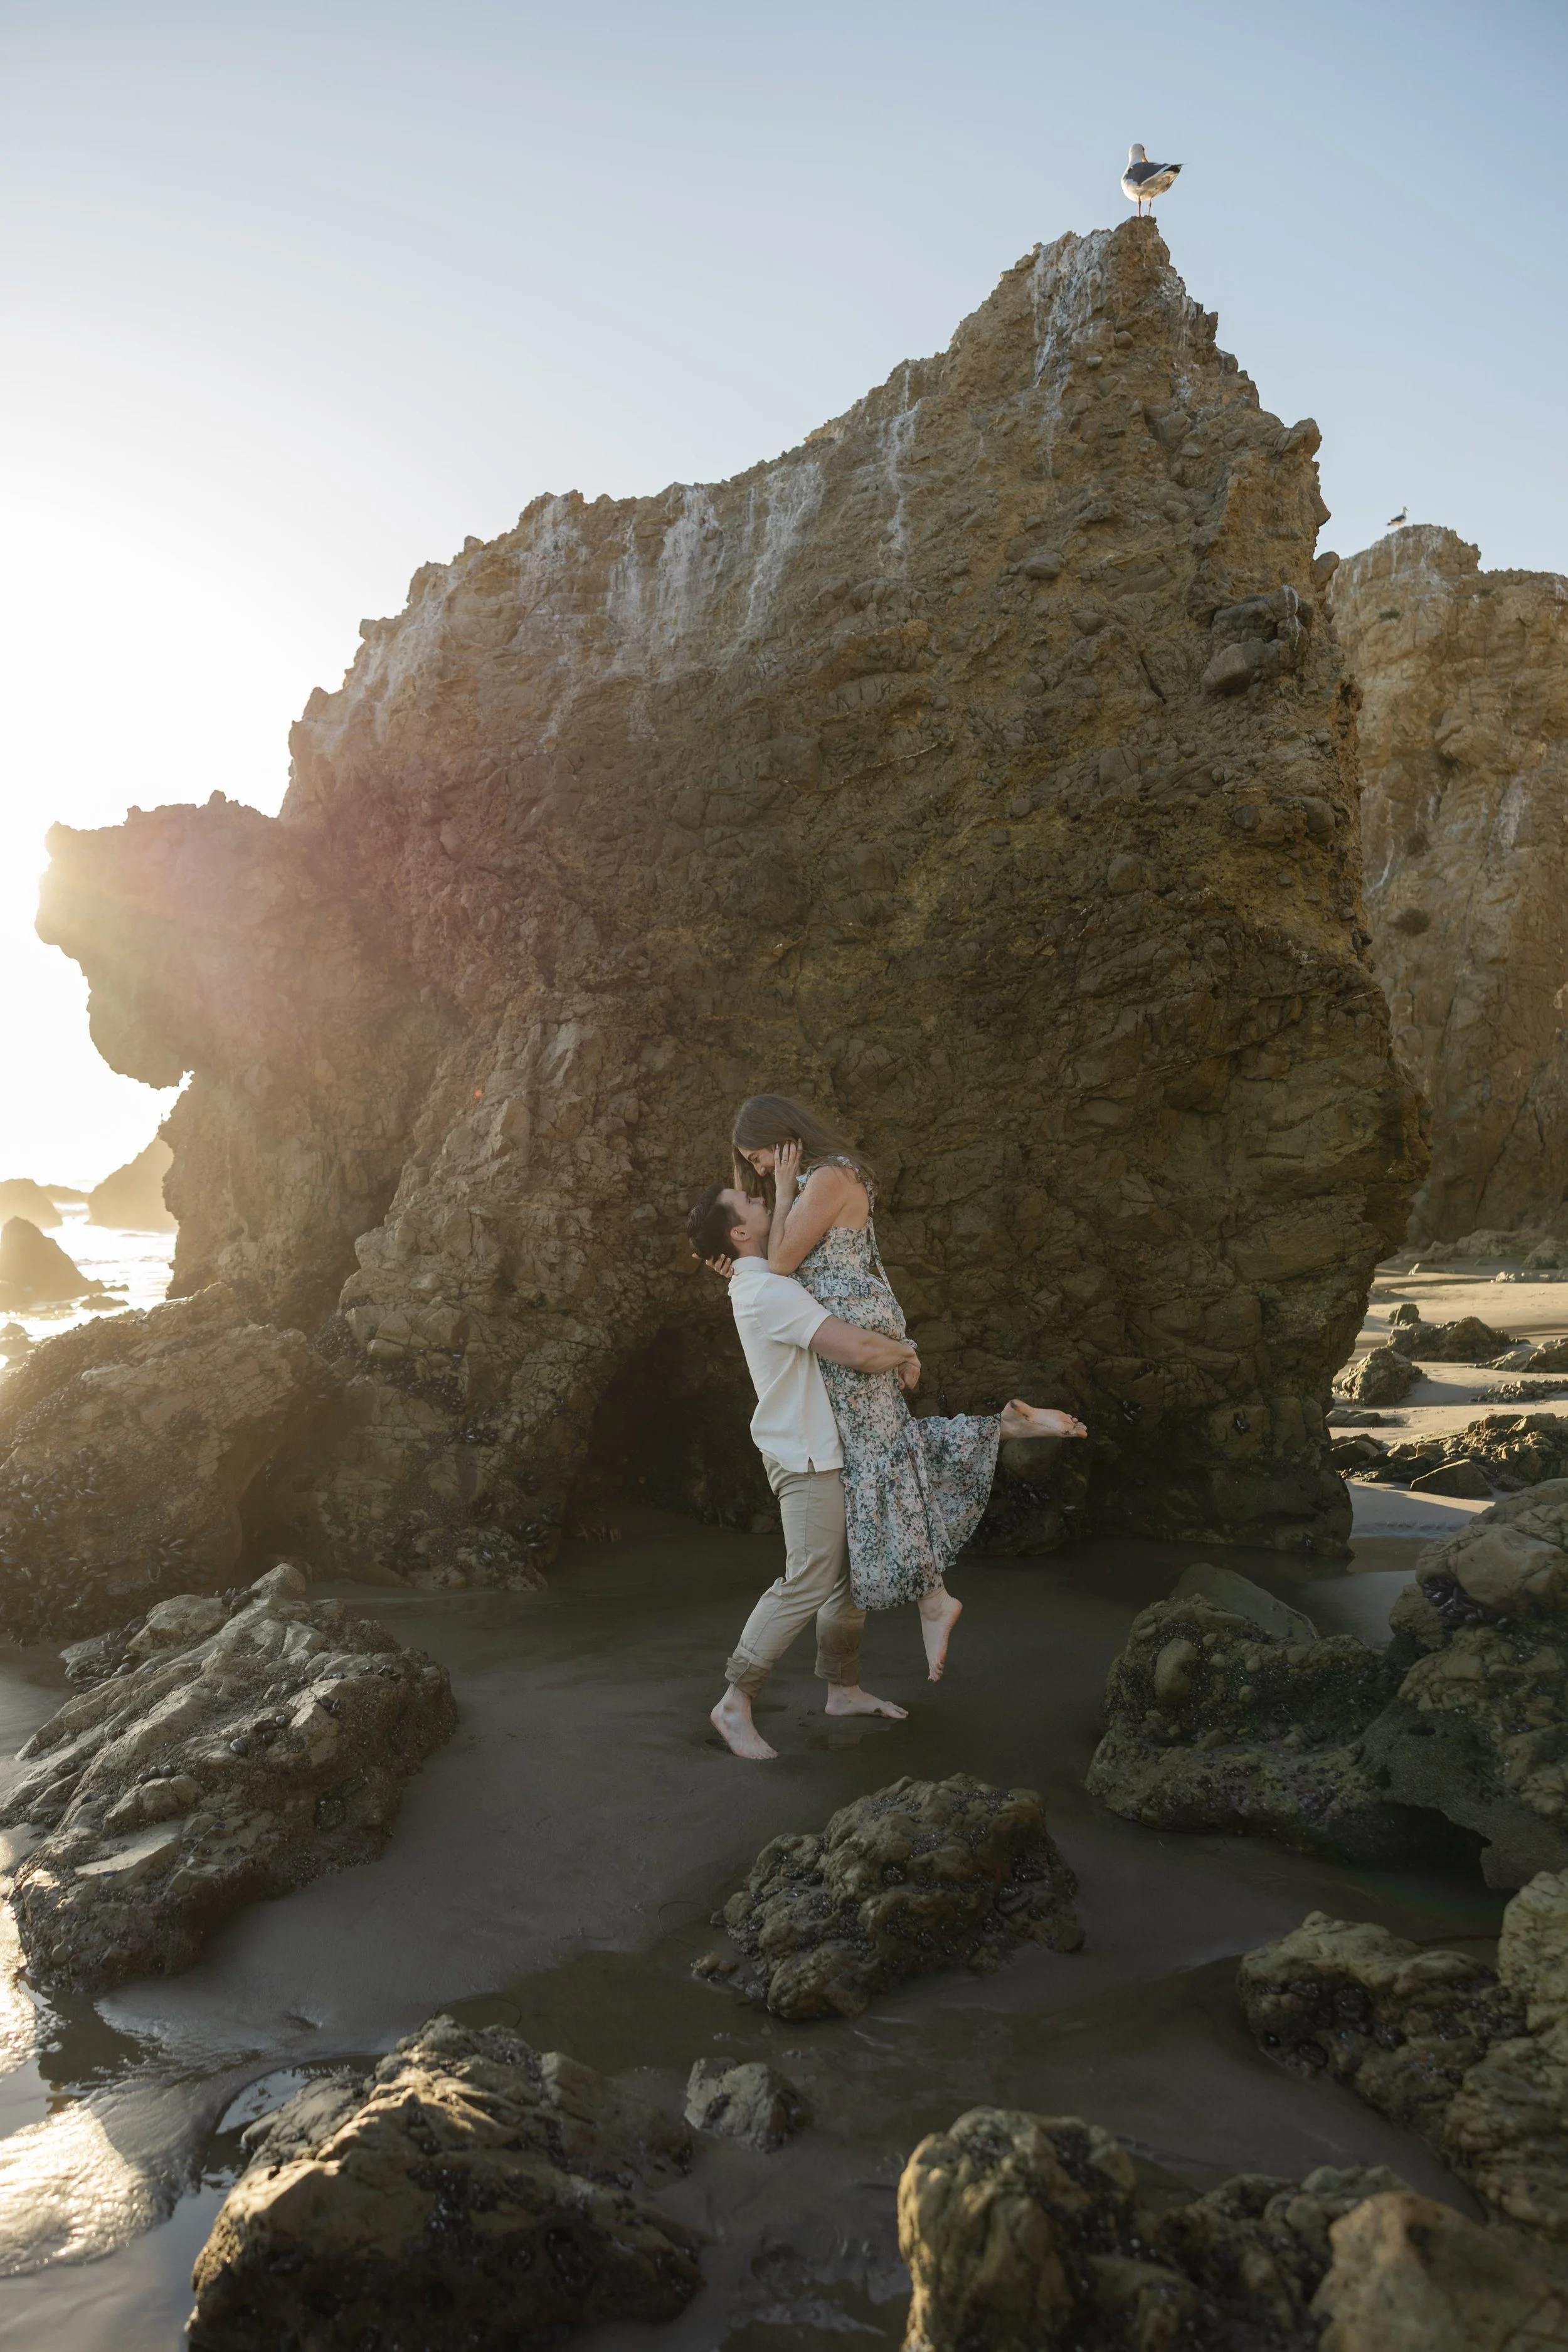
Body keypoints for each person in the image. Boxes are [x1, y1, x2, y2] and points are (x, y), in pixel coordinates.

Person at [729, 1093, 1087, 1678]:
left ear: (783, 1137)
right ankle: (1001, 1436)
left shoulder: (823, 1177)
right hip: (858, 1320)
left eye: (762, 1157)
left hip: (847, 1332)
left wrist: (785, 1188)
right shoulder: (840, 1172)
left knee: (880, 1465)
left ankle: (934, 1597)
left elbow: (783, 1264)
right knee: (888, 1456)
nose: (763, 1170)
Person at [686, 1180, 919, 1762]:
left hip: (820, 1449)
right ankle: (734, 1702)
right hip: (806, 1456)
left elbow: (778, 1260)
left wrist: (788, 1195)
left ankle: (842, 1690)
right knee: (808, 1580)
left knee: (845, 1578)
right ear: (739, 1234)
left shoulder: (760, 1282)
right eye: (754, 1204)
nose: (764, 1199)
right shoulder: (766, 1292)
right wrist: (908, 1351)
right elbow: (859, 1351)